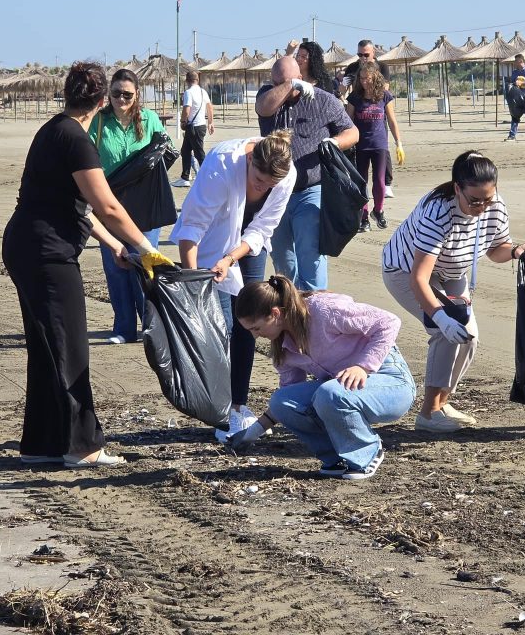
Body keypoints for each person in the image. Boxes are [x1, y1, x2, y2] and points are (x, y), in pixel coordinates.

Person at [1, 62, 173, 468]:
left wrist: (115, 244)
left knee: (47, 347)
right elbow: (108, 205)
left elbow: (76, 205)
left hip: (27, 244)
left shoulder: (53, 129)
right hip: (46, 252)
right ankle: (83, 446)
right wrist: (143, 245)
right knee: (70, 347)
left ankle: (42, 444)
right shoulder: (76, 139)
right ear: (100, 101)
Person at [382, 151, 525, 432]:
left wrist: (514, 251)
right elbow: (419, 279)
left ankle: (442, 402)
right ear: (457, 189)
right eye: (474, 200)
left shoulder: (495, 206)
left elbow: (495, 250)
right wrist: (440, 317)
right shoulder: (438, 211)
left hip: (452, 272)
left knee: (469, 337)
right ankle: (427, 414)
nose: (481, 206)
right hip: (405, 272)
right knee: (445, 331)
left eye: (487, 199)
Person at [170, 130, 296, 441]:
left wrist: (231, 258)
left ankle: (238, 404)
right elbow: (193, 226)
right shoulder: (222, 162)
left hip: (248, 244)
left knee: (250, 322)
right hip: (209, 241)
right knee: (221, 325)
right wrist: (192, 284)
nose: (263, 188)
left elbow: (265, 226)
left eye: (270, 186)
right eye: (258, 182)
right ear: (251, 159)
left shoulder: (287, 174)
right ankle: (220, 408)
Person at [227, 274, 415, 480]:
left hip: (391, 382)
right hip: (342, 391)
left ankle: (366, 452)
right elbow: (289, 399)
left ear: (275, 313)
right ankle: (335, 457)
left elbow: (389, 322)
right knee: (282, 401)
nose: (255, 335)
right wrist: (252, 433)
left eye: (256, 328)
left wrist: (362, 366)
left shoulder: (323, 311)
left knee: (330, 392)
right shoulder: (283, 348)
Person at [256, 57, 358, 291]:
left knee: (310, 253)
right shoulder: (269, 95)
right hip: (276, 192)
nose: (284, 87)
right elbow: (263, 107)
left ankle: (315, 305)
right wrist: (287, 85)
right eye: (277, 82)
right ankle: (288, 304)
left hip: (311, 189)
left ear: (302, 77)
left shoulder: (323, 100)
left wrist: (334, 142)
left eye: (291, 81)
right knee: (282, 258)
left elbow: (352, 132)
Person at [89, 68, 171, 344]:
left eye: (127, 94)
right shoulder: (97, 122)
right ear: (108, 94)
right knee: (116, 265)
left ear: (137, 96)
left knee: (145, 264)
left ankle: (150, 327)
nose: (121, 99)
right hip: (109, 203)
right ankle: (123, 327)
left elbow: (164, 151)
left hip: (145, 204)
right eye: (116, 94)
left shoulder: (149, 119)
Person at [345, 62, 404, 232]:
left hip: (379, 144)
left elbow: (392, 121)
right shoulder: (355, 98)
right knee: (361, 182)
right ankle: (364, 217)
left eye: (367, 78)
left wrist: (398, 143)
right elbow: (348, 122)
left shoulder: (384, 96)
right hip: (360, 145)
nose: (364, 82)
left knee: (379, 181)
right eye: (361, 78)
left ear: (375, 77)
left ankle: (378, 211)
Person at [343, 40, 396, 196]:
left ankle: (386, 183)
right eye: (359, 54)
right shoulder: (352, 68)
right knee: (359, 151)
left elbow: (385, 88)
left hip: (377, 110)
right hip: (359, 108)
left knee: (382, 146)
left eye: (366, 54)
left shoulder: (383, 67)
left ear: (373, 53)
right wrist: (343, 85)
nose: (362, 58)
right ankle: (360, 186)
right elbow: (344, 92)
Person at [172, 70, 214, 188]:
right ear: (197, 80)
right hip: (200, 126)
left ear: (186, 80)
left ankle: (207, 176)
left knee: (199, 153)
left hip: (193, 126)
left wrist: (182, 121)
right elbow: (210, 108)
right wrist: (210, 123)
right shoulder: (203, 91)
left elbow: (187, 109)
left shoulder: (188, 92)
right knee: (185, 151)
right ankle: (185, 177)